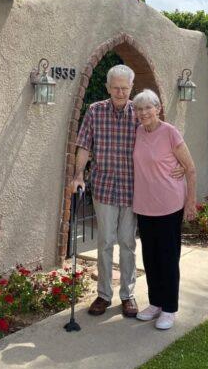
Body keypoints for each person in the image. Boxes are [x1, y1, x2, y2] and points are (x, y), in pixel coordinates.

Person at [72, 65, 183, 318]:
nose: (120, 92)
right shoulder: (95, 111)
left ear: (131, 88)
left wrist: (178, 166)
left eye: (124, 88)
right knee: (105, 242)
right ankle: (103, 294)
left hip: (135, 190)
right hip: (104, 186)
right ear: (107, 87)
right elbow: (83, 146)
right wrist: (78, 175)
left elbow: (164, 140)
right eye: (115, 87)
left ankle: (127, 295)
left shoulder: (141, 112)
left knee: (128, 243)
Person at [132, 89, 197, 330]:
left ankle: (169, 308)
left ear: (158, 108)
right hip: (144, 205)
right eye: (139, 109)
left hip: (169, 205)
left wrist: (190, 202)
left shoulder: (170, 133)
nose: (143, 113)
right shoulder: (138, 132)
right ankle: (155, 303)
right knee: (150, 258)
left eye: (148, 108)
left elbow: (189, 168)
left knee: (169, 258)